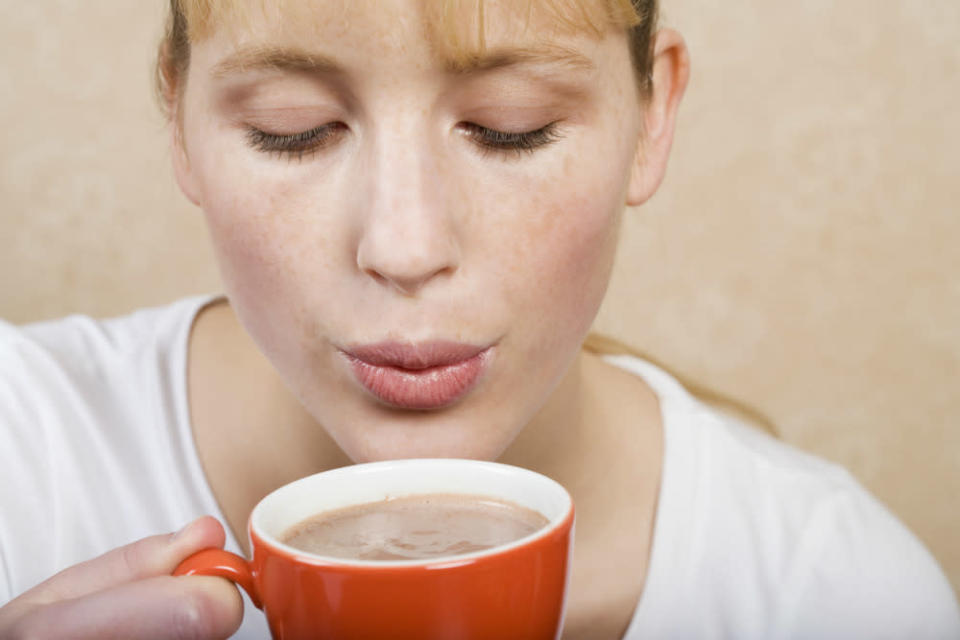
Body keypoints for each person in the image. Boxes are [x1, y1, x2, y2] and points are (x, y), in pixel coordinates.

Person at [1, 0, 958, 637]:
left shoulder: (841, 593)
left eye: (512, 125)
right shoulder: (22, 458)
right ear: (180, 121)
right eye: (292, 128)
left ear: (651, 113)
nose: (405, 246)